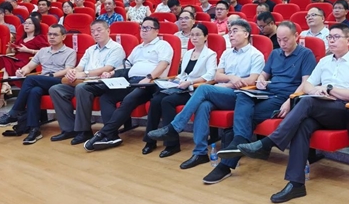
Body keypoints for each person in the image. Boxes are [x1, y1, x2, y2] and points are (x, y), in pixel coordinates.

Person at [236, 23, 349, 203]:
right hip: (320, 106)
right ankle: (296, 184)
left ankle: (269, 142)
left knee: (305, 101)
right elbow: (307, 85)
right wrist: (317, 91)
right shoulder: (324, 62)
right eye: (330, 37)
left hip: (343, 111)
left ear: (348, 40)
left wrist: (329, 89)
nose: (332, 40)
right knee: (302, 125)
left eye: (336, 37)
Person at [206, 22, 318, 184]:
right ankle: (239, 142)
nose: (282, 43)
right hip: (267, 92)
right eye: (279, 40)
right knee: (243, 95)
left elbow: (306, 83)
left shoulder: (306, 54)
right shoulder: (275, 53)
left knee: (245, 118)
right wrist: (260, 80)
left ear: (296, 36)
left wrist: (290, 100)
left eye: (286, 39)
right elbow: (264, 74)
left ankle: (226, 163)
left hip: (284, 97)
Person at [147, 19, 265, 169]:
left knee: (203, 89)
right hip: (221, 92)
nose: (231, 34)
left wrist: (229, 83)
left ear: (246, 34)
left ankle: (175, 127)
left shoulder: (256, 55)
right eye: (230, 31)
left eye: (235, 31)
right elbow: (217, 76)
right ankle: (200, 152)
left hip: (239, 96)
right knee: (203, 106)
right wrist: (231, 77)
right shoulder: (227, 53)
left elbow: (251, 80)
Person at [82, 17, 174, 151]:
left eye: (148, 28)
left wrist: (149, 77)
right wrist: (112, 73)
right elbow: (127, 66)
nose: (144, 30)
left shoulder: (163, 45)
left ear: (157, 31)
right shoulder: (138, 48)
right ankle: (112, 136)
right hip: (131, 82)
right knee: (106, 97)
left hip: (150, 84)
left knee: (129, 99)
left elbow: (163, 64)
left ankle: (102, 134)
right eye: (142, 27)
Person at [0, 24, 77, 144]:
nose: (52, 37)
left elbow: (68, 70)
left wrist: (51, 76)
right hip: (42, 83)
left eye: (55, 34)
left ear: (63, 37)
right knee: (34, 91)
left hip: (59, 82)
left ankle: (14, 113)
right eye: (50, 34)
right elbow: (30, 66)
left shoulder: (70, 52)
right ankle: (34, 129)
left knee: (31, 80)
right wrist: (22, 71)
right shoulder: (42, 51)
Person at [142, 23, 218, 157]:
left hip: (194, 90)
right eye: (192, 35)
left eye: (198, 35)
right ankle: (150, 140)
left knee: (167, 101)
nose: (194, 38)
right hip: (181, 86)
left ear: (205, 37)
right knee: (156, 100)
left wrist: (190, 82)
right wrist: (173, 80)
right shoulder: (188, 53)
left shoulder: (210, 54)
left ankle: (172, 144)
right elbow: (183, 74)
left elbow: (210, 75)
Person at [48, 20, 126, 143]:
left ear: (108, 31)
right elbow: (80, 66)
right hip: (85, 81)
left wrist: (85, 73)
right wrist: (73, 72)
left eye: (99, 30)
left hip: (103, 83)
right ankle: (69, 129)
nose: (96, 33)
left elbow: (108, 68)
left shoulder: (116, 48)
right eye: (93, 31)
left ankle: (84, 131)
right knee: (56, 89)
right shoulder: (90, 49)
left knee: (81, 88)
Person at [0, 15, 49, 109]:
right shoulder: (21, 39)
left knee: (5, 63)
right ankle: (5, 86)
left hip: (29, 63)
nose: (26, 25)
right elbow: (11, 52)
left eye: (30, 23)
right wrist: (10, 48)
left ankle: (2, 95)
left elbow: (47, 51)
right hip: (17, 60)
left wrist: (28, 50)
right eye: (25, 23)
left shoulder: (39, 38)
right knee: (3, 59)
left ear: (35, 26)